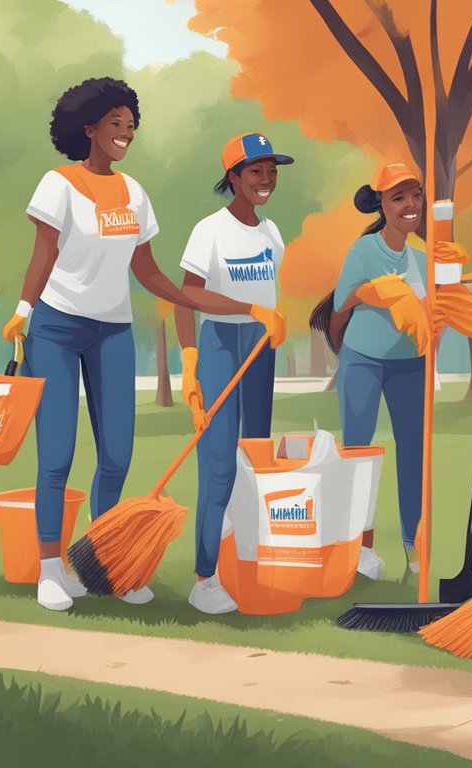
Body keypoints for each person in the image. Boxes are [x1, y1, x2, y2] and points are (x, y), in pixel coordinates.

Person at [2, 77, 282, 612]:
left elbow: (155, 278)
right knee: (57, 454)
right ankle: (50, 569)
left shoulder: (134, 194)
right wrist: (23, 311)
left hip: (113, 330)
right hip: (56, 328)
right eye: (116, 124)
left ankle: (103, 562)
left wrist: (247, 308)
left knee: (117, 457)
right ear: (88, 128)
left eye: (131, 125)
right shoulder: (57, 184)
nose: (126, 133)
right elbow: (43, 254)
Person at [174, 132, 295, 614]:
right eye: (255, 171)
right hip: (221, 346)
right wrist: (189, 363)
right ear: (233, 177)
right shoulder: (210, 230)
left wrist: (270, 318)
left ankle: (245, 560)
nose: (265, 180)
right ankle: (205, 578)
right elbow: (187, 296)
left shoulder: (272, 233)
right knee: (220, 465)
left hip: (258, 350)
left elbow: (268, 296)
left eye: (271, 170)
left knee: (254, 457)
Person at [330, 162, 444, 579]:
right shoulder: (364, 251)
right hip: (363, 360)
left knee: (414, 455)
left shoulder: (424, 259)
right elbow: (343, 301)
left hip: (411, 366)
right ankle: (360, 550)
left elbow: (435, 317)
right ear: (381, 203)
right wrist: (374, 292)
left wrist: (435, 340)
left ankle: (415, 550)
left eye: (415, 195)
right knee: (359, 453)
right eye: (399, 198)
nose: (410, 205)